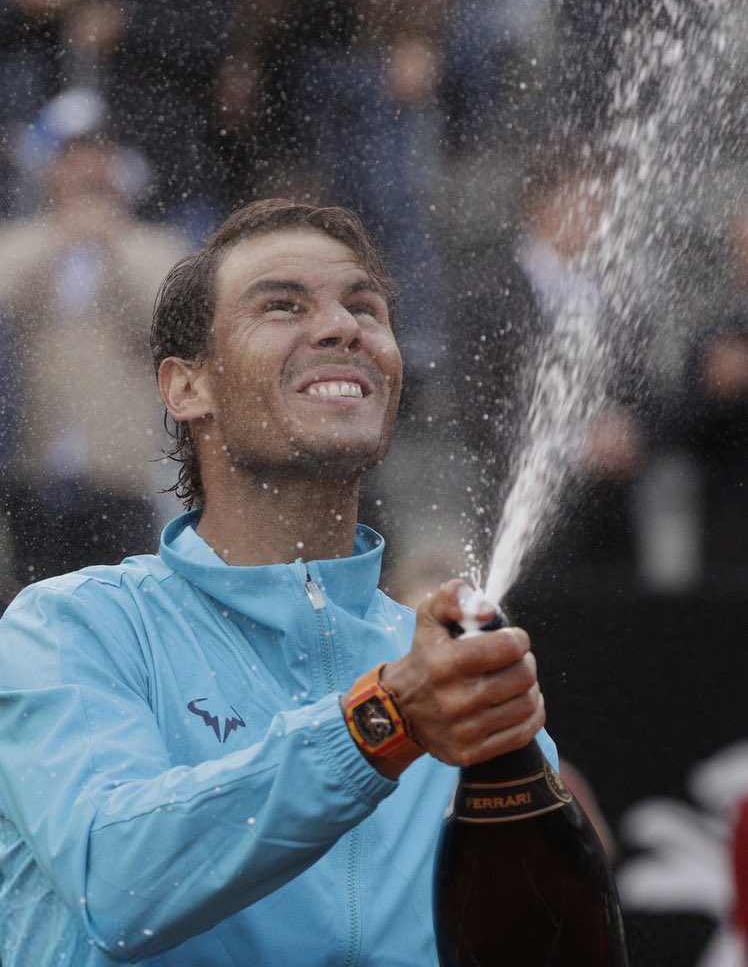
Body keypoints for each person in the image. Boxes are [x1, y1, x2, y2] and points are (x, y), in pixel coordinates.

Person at [0, 198, 555, 965]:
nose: (343, 328)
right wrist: (383, 722)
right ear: (187, 388)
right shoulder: (70, 629)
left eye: (366, 307)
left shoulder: (452, 682)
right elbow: (116, 881)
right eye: (282, 305)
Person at [0, 133, 185, 588]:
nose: (84, 180)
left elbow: (168, 320)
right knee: (33, 600)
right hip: (35, 462)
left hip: (120, 469)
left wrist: (111, 247)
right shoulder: (24, 240)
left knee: (122, 601)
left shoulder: (154, 245)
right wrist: (58, 240)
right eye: (72, 167)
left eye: (96, 167)